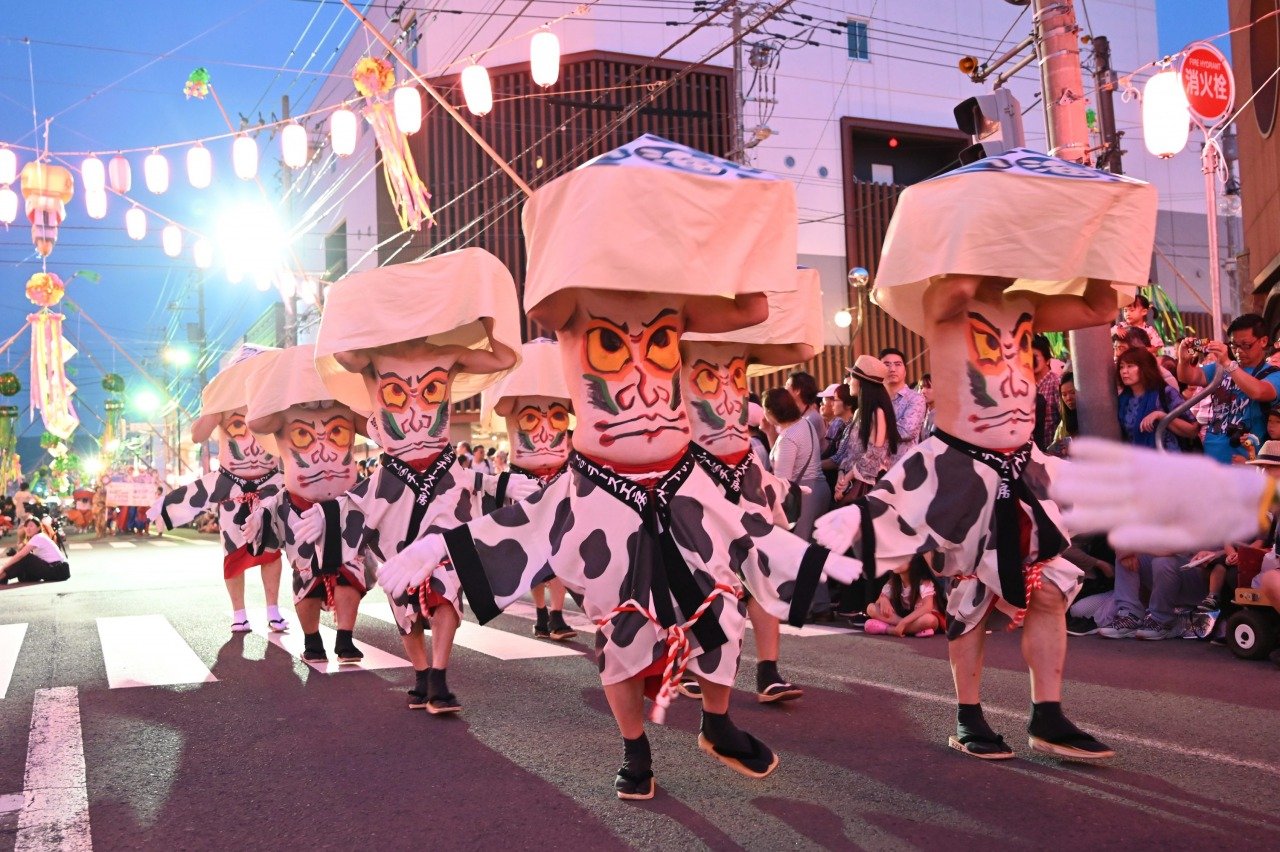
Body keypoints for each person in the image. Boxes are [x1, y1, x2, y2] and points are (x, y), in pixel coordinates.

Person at [375, 138, 860, 800]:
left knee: (723, 604)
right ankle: (635, 750)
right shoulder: (572, 301)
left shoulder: (676, 302)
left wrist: (727, 222)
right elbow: (541, 299)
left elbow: (750, 310)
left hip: (682, 478)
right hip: (601, 488)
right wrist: (438, 546)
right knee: (622, 633)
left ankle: (717, 722)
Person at [292, 248, 526, 711]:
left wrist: (484, 304)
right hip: (394, 481)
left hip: (443, 475)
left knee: (447, 584)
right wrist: (329, 514)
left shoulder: (448, 354)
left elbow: (502, 355)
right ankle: (421, 675)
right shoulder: (373, 359)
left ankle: (438, 676)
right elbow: (342, 350)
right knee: (403, 600)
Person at [150, 350, 289, 635]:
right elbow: (198, 435)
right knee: (233, 553)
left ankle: (273, 610)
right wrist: (215, 407)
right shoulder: (223, 403)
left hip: (269, 486)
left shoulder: (273, 398)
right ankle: (239, 613)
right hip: (232, 486)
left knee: (271, 549)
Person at [1176, 313, 1280, 464]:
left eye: (1246, 345)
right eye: (1234, 345)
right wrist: (1183, 360)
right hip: (1212, 456)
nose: (1238, 351)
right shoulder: (1220, 369)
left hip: (1248, 461)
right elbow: (1188, 377)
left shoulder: (1273, 374)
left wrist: (1228, 363)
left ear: (1263, 341)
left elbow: (1258, 392)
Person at [763, 387, 830, 541]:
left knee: (799, 546)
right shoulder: (804, 423)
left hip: (804, 497)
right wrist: (769, 432)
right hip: (820, 490)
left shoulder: (787, 438)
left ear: (770, 411)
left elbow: (782, 481)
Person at [833, 355, 899, 506]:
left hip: (868, 485)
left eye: (852, 377)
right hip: (852, 480)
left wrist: (847, 479)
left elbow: (874, 454)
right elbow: (850, 451)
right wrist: (841, 476)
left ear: (862, 382)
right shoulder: (859, 412)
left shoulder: (877, 413)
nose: (849, 382)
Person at [1115, 347, 1197, 451]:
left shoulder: (1165, 393)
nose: (1124, 371)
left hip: (1167, 457)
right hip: (1137, 458)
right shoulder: (1123, 399)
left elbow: (1192, 430)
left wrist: (1161, 416)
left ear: (1145, 367)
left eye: (1130, 366)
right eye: (1121, 367)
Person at [863, 554, 944, 637]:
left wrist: (904, 622)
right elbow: (878, 602)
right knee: (871, 608)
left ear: (913, 561)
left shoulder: (923, 582)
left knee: (929, 620)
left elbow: (927, 607)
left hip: (922, 616)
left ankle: (889, 629)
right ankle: (912, 629)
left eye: (900, 559)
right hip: (903, 617)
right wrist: (884, 600)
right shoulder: (893, 582)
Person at [877, 348, 926, 461]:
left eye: (898, 364)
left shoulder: (916, 398)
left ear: (905, 371)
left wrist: (873, 430)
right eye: (887, 364)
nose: (892, 369)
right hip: (875, 467)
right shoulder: (875, 399)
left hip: (903, 466)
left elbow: (905, 432)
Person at [0, 516, 70, 584]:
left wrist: (3, 568)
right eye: (26, 526)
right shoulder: (36, 537)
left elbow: (21, 555)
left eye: (31, 526)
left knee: (25, 557)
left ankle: (3, 575)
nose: (28, 528)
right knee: (24, 575)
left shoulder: (38, 537)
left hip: (58, 569)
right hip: (59, 570)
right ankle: (3, 576)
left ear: (38, 527)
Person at [785, 371, 828, 456]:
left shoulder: (812, 419)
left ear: (797, 391)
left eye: (787, 385)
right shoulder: (801, 415)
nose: (784, 389)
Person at [1033, 336, 1060, 451]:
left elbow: (1063, 421)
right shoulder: (1026, 385)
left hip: (1051, 450)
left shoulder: (1056, 383)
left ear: (1047, 359)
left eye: (1034, 356)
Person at [1048, 372, 1078, 457]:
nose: (1068, 398)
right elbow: (1053, 449)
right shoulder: (1063, 424)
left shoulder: (1091, 416)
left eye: (1072, 392)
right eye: (1064, 394)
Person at [917, 373, 936, 441]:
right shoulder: (922, 414)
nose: (923, 391)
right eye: (921, 388)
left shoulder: (944, 415)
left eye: (928, 387)